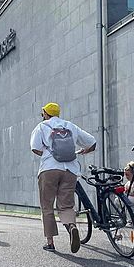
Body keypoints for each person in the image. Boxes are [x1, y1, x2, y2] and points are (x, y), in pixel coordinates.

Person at [30, 102, 95, 253]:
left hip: (49, 169)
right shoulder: (70, 126)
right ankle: (71, 226)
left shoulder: (42, 127)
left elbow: (35, 148)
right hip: (70, 169)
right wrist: (84, 151)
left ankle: (50, 242)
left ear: (45, 114)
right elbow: (92, 142)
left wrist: (48, 153)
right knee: (66, 205)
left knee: (47, 206)